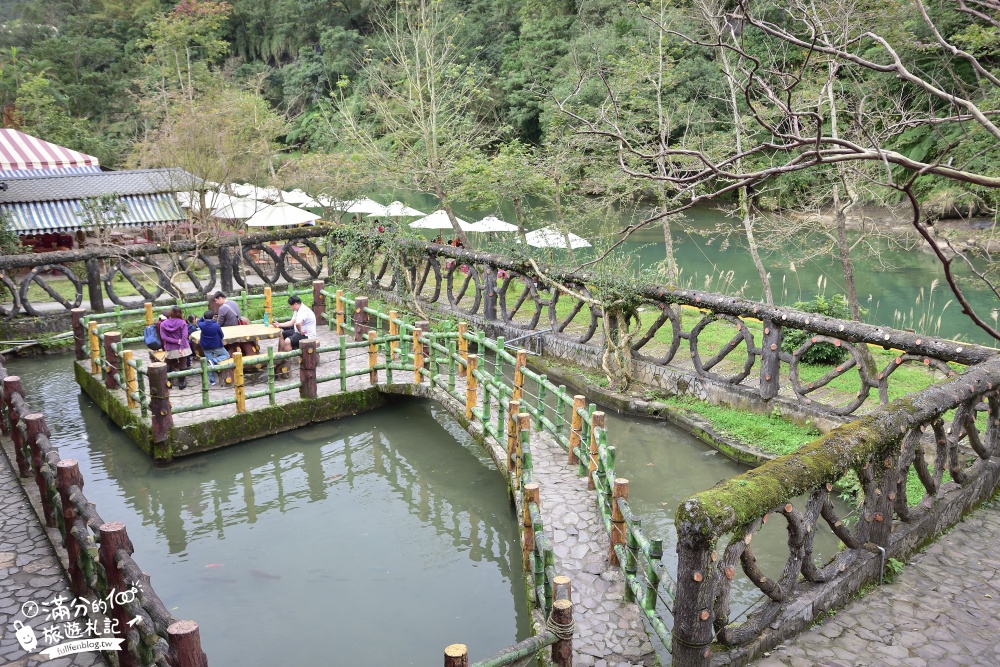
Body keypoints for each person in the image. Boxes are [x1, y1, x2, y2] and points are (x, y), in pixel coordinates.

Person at [159, 306, 192, 389]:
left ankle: (168, 382)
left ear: (171, 313)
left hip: (171, 347)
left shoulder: (163, 324)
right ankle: (181, 383)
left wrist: (175, 341)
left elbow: (163, 337)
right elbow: (185, 336)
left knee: (168, 364)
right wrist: (180, 345)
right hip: (183, 347)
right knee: (183, 364)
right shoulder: (182, 322)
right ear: (180, 313)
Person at [197, 310, 230, 386]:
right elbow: (221, 335)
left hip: (206, 346)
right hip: (216, 345)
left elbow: (199, 321)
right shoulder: (216, 325)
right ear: (213, 317)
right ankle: (214, 360)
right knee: (226, 355)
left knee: (208, 364)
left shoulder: (202, 325)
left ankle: (212, 381)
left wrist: (203, 318)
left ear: (204, 318)